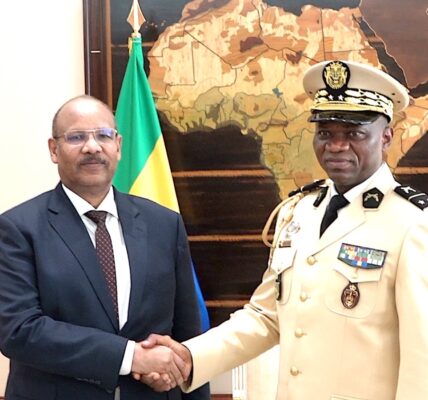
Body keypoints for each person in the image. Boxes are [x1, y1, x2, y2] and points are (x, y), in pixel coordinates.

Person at [139, 60, 428, 399]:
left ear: (386, 137)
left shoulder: (412, 223)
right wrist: (190, 357)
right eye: (325, 133)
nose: (336, 146)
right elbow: (266, 316)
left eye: (354, 134)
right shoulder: (299, 211)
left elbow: (422, 354)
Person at [0, 95, 209, 400]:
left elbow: (188, 336)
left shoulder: (164, 224)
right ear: (54, 150)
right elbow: (19, 331)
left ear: (118, 146)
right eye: (76, 137)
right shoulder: (18, 228)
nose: (92, 147)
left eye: (103, 135)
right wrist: (131, 357)